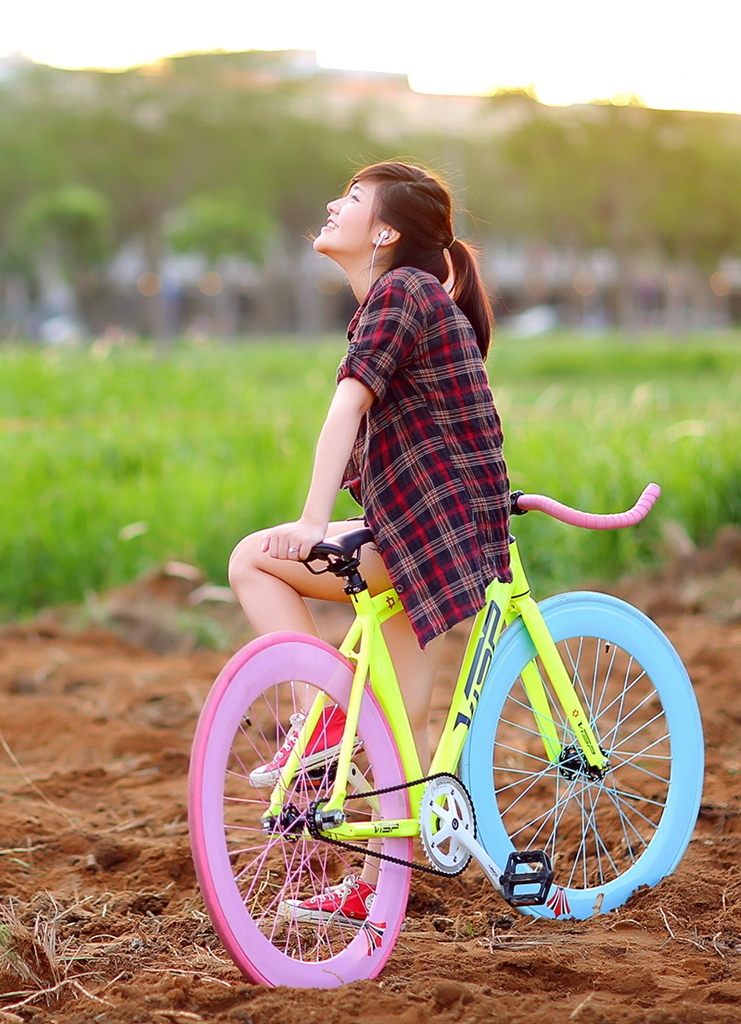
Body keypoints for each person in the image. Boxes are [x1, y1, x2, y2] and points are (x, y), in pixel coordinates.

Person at [227, 160, 511, 924]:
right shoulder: (413, 297)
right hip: (436, 536)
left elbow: (345, 407)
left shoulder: (401, 292)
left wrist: (313, 524)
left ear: (385, 231)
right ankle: (377, 887)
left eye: (351, 198)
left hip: (426, 536)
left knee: (254, 559)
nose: (331, 203)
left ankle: (321, 717)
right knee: (396, 729)